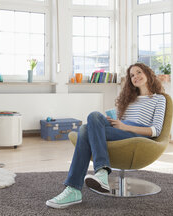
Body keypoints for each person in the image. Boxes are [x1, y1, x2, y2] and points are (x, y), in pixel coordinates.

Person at [46, 63, 166, 209]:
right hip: (123, 130)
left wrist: (124, 126)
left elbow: (156, 130)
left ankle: (75, 188)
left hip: (139, 135)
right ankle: (99, 174)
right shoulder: (130, 99)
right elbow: (121, 124)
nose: (136, 77)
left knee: (85, 130)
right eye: (132, 75)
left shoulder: (159, 99)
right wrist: (116, 122)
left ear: (148, 74)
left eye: (139, 72)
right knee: (91, 120)